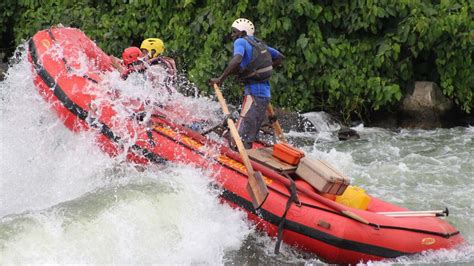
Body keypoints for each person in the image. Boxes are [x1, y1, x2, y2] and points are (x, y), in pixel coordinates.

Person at [210, 18, 283, 149]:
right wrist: (256, 71)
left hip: (254, 95)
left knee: (238, 138)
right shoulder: (259, 44)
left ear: (242, 32)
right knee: (248, 135)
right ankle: (246, 149)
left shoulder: (241, 41)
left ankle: (240, 156)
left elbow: (237, 59)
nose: (232, 36)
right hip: (264, 95)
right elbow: (279, 57)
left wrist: (220, 79)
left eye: (234, 32)